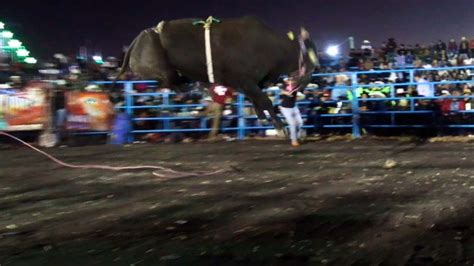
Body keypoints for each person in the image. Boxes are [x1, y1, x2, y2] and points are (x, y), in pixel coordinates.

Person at [279, 78, 303, 147]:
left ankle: (297, 137)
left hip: (293, 107)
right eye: (290, 80)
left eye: (292, 80)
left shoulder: (296, 86)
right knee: (292, 124)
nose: (292, 81)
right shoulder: (284, 86)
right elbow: (282, 91)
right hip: (285, 108)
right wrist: (286, 92)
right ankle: (294, 140)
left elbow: (295, 90)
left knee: (300, 122)